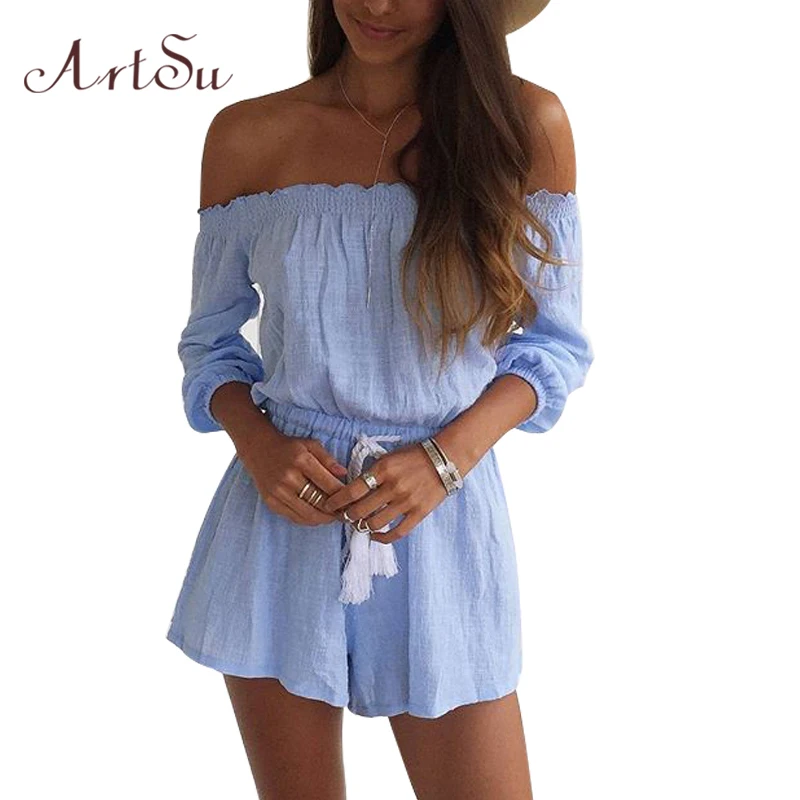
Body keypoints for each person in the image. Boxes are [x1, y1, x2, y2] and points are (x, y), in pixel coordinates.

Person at [166, 0, 594, 796]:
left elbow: (553, 347)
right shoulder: (248, 135)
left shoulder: (525, 125)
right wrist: (258, 444)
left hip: (442, 524)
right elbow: (210, 344)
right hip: (281, 525)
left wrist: (444, 460)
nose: (377, 4)